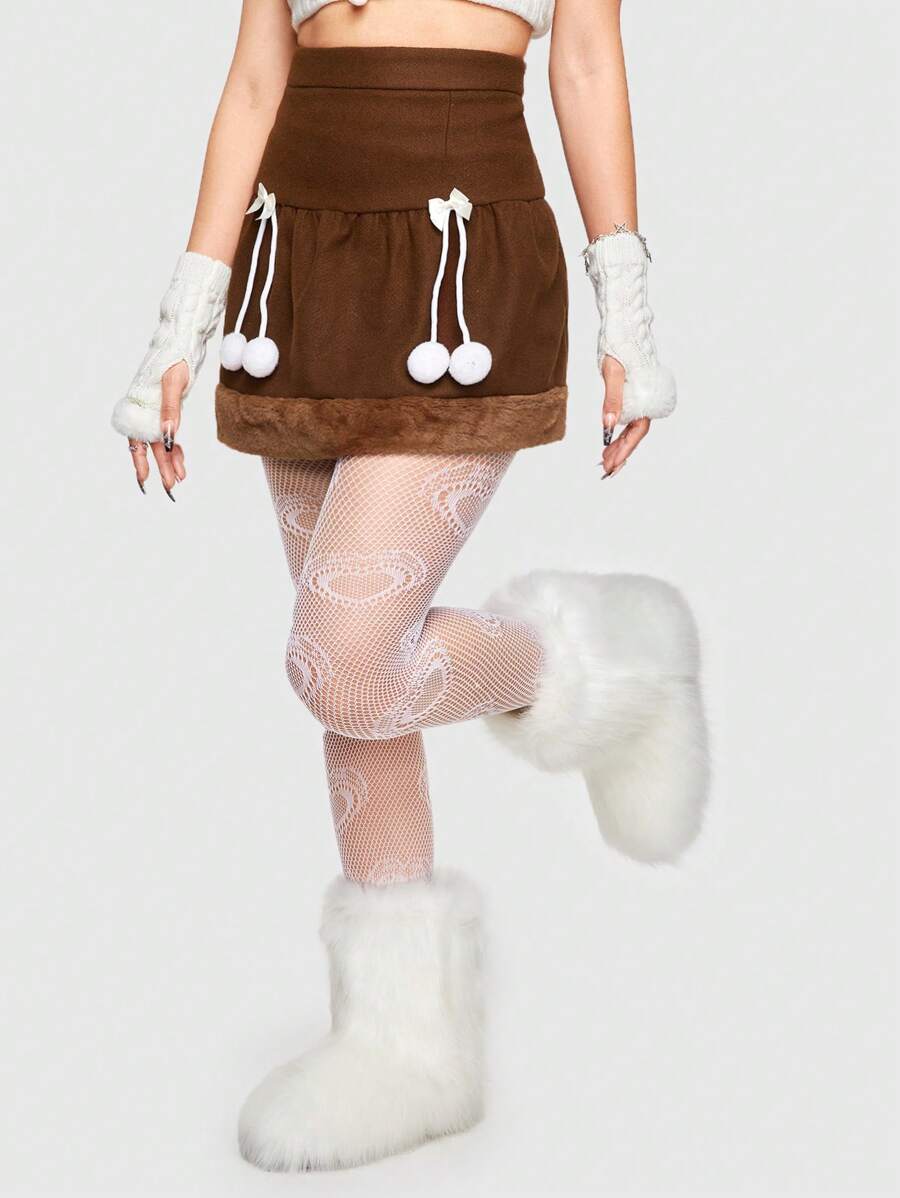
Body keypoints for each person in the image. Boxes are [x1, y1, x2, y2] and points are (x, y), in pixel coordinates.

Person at [111, 0, 708, 1172]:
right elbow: (257, 78)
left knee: (344, 658)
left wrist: (627, 318)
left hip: (458, 273)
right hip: (295, 267)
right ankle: (401, 1046)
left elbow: (586, 62)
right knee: (359, 686)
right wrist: (178, 326)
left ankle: (600, 667)